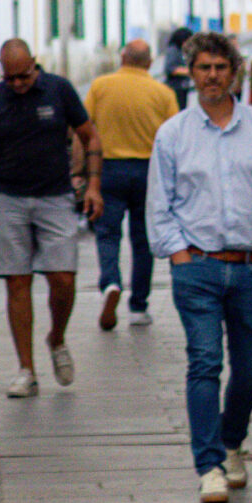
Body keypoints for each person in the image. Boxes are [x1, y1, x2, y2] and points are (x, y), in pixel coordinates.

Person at [147, 30, 252, 503]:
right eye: (204, 68)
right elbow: (159, 204)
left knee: (251, 368)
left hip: (251, 268)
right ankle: (209, 466)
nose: (213, 76)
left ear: (235, 73)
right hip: (197, 267)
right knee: (204, 361)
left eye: (221, 68)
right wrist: (178, 254)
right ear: (191, 72)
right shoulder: (173, 134)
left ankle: (231, 440)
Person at [0, 38, 102, 397]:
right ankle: (26, 369)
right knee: (17, 282)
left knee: (63, 278)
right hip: (9, 198)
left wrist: (93, 185)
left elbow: (90, 137)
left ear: (34, 64)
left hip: (55, 196)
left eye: (23, 76)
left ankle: (56, 337)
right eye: (9, 78)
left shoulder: (59, 90)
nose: (17, 84)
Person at [84, 38, 176, 331]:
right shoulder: (163, 93)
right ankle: (138, 306)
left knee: (107, 233)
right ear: (149, 62)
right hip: (148, 171)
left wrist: (81, 173)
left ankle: (111, 282)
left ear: (122, 58)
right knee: (143, 240)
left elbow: (84, 129)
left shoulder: (100, 87)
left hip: (109, 169)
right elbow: (174, 137)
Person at [161, 26, 194, 116]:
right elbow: (170, 68)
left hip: (183, 87)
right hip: (175, 87)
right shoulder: (173, 50)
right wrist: (189, 71)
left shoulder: (182, 51)